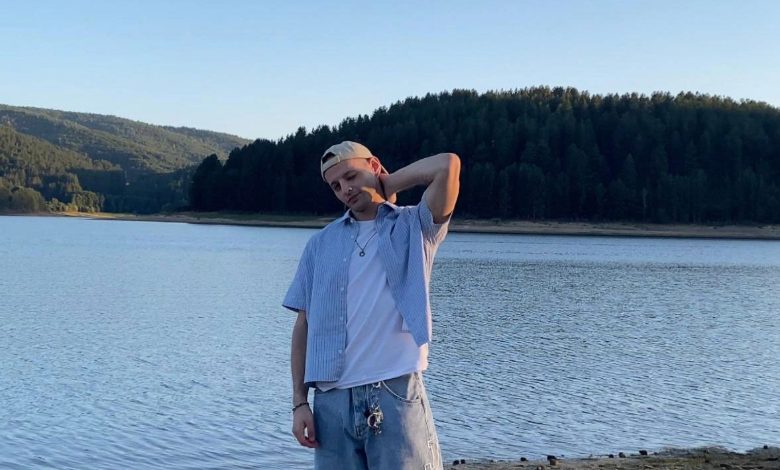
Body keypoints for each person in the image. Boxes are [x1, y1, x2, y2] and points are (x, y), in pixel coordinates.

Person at [283, 141, 460, 469]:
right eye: (336, 186)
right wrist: (299, 402)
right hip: (331, 403)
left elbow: (447, 166)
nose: (345, 190)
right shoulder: (320, 244)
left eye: (351, 176)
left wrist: (387, 184)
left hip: (394, 392)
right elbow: (303, 326)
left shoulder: (415, 226)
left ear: (375, 166)